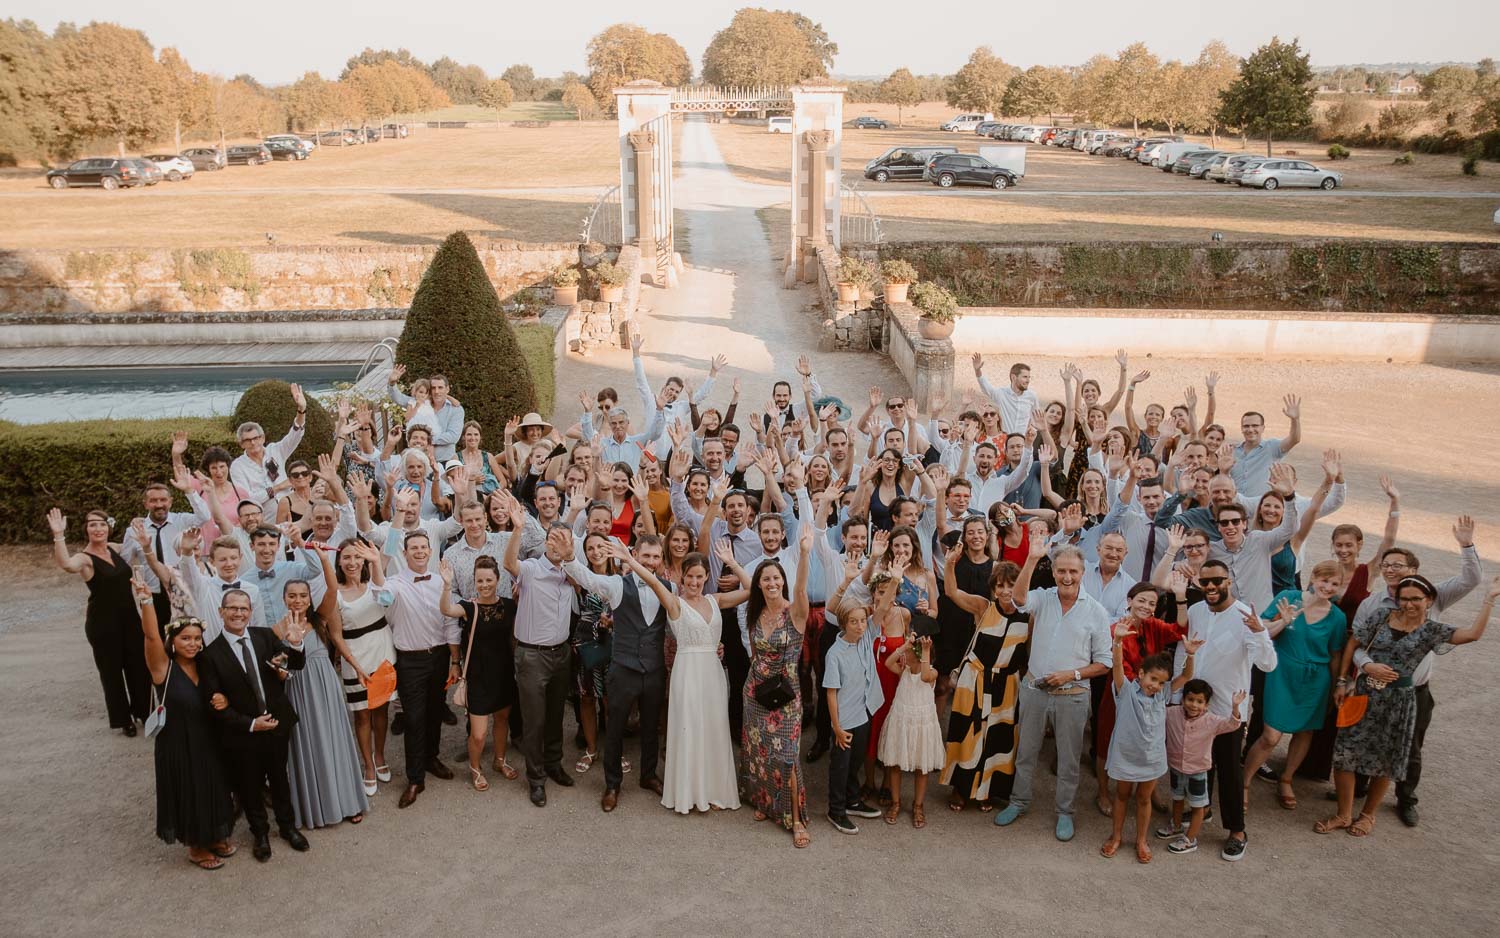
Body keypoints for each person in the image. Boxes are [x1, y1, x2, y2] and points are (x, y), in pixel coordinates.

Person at [1318, 575, 1496, 838]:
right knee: (1345, 753)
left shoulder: (1432, 630)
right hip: (1364, 694)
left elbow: (1472, 635)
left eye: (1416, 599)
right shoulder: (1381, 616)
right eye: (1404, 598)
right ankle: (1344, 814)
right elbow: (1354, 643)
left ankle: (1367, 815)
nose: (1409, 604)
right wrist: (1343, 680)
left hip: (1399, 701)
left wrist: (1489, 600)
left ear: (1429, 600)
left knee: (1387, 759)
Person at [615, 541, 750, 814]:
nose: (695, 582)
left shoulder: (717, 600)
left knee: (713, 727)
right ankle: (689, 793)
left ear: (706, 578)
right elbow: (654, 583)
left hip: (712, 672)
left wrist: (733, 563)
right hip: (687, 671)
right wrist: (630, 561)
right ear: (682, 577)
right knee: (689, 727)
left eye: (700, 577)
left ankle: (712, 790)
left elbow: (750, 590)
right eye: (690, 576)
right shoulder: (674, 602)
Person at [994, 542, 1112, 842]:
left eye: (1073, 571)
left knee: (1070, 759)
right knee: (1025, 753)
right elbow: (1018, 599)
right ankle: (1019, 802)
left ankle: (1065, 813)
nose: (1067, 577)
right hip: (1034, 689)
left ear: (1083, 572)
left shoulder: (1096, 611)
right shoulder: (1043, 598)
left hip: (1072, 695)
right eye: (1061, 571)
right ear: (1055, 572)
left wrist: (1070, 674)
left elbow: (1104, 663)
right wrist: (1032, 559)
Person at [564, 536, 677, 812]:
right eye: (646, 556)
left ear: (661, 559)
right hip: (623, 668)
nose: (651, 562)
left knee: (651, 727)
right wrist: (569, 558)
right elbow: (589, 579)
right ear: (634, 554)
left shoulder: (669, 586)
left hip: (654, 669)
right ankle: (612, 784)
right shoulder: (617, 585)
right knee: (614, 728)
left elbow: (675, 625)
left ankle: (648, 775)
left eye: (655, 557)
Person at [130, 578, 235, 870]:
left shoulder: (205, 665)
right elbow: (151, 637)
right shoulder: (162, 667)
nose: (192, 644)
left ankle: (214, 836)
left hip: (207, 739)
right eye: (185, 638)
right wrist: (146, 601)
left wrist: (224, 701)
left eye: (196, 639)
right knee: (189, 789)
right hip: (177, 742)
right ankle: (196, 847)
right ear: (172, 642)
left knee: (212, 785)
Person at [1174, 559, 1276, 861]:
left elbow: (1268, 664)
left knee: (1230, 770)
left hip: (1228, 712)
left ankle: (1236, 831)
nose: (1211, 587)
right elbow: (1189, 650)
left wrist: (1260, 632)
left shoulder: (1246, 616)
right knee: (1198, 766)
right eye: (1205, 582)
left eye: (1217, 581)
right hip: (1195, 707)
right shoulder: (1195, 611)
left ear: (1228, 581)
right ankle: (1200, 811)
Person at [198, 588, 309, 862]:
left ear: (250, 612)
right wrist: (250, 724)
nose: (238, 613)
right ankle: (259, 833)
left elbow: (293, 663)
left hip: (276, 724)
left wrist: (294, 644)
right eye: (232, 608)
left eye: (243, 609)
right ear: (221, 612)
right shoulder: (210, 655)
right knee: (249, 784)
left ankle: (287, 827)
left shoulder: (264, 636)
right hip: (244, 733)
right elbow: (214, 706)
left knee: (280, 779)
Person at [1241, 562, 1348, 811]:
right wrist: (1283, 620)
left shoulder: (1337, 617)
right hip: (1282, 672)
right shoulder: (1288, 597)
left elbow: (1334, 655)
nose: (1328, 587)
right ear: (1313, 577)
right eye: (1324, 580)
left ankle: (1286, 778)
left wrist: (1335, 686)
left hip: (1315, 681)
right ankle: (1243, 782)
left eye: (1334, 584)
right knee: (1270, 736)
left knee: (1305, 732)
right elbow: (1261, 628)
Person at [277, 571, 369, 829]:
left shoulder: (319, 619)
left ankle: (349, 803)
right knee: (306, 742)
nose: (297, 600)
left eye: (303, 595)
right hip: (297, 688)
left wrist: (324, 557)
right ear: (284, 599)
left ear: (309, 599)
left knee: (335, 739)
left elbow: (331, 587)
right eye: (292, 596)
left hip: (325, 685)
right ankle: (315, 808)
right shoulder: (278, 627)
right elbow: (276, 664)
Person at [742, 524, 815, 847]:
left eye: (776, 578)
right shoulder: (755, 613)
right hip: (755, 693)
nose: (772, 583)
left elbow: (801, 589)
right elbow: (755, 652)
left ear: (782, 581)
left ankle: (796, 820)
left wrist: (803, 552)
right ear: (759, 584)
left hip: (786, 698)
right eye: (766, 579)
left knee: (787, 757)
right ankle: (766, 804)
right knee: (759, 754)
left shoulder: (795, 612)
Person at [47, 508, 149, 736]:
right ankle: (123, 720)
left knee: (137, 666)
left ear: (108, 527)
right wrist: (58, 535)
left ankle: (143, 710)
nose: (98, 529)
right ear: (86, 529)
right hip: (103, 624)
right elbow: (66, 564)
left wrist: (139, 523)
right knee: (112, 672)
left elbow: (139, 547)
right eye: (92, 525)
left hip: (130, 619)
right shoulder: (85, 559)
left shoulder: (114, 548)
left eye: (102, 524)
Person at [1100, 633, 1201, 863]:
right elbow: (1116, 664)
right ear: (1141, 673)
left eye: (1161, 682)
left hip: (1151, 757)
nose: (1156, 686)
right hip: (1126, 754)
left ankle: (1141, 840)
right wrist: (1118, 642)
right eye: (1153, 679)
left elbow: (1186, 675)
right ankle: (1116, 837)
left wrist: (1191, 654)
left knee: (1144, 799)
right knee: (1122, 795)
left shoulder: (1163, 694)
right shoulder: (1124, 690)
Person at [941, 555, 1031, 812]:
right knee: (966, 734)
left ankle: (987, 790)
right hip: (976, 680)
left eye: (1011, 585)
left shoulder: (1029, 617)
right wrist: (949, 565)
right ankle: (960, 789)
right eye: (999, 586)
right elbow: (951, 591)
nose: (1005, 591)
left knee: (997, 737)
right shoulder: (983, 607)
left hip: (1007, 683)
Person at [504, 520, 578, 808]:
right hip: (532, 655)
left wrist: (571, 561)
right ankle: (536, 779)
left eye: (566, 539)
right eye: (555, 538)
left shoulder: (572, 572)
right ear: (547, 542)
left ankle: (554, 764)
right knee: (534, 721)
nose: (560, 544)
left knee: (556, 715)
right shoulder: (532, 569)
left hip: (562, 653)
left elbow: (584, 583)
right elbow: (510, 563)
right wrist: (518, 529)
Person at [384, 531, 461, 809]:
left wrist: (454, 660)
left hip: (439, 656)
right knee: (414, 719)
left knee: (435, 712)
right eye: (413, 548)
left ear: (430, 551)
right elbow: (381, 597)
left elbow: (451, 622)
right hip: (410, 660)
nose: (418, 552)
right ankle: (415, 778)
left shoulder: (442, 581)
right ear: (404, 553)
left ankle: (431, 758)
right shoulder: (394, 584)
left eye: (423, 547)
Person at [437, 556, 519, 791]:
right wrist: (446, 585)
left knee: (502, 721)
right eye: (479, 580)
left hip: (504, 674)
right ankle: (476, 769)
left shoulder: (508, 605)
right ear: (474, 581)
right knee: (480, 734)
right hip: (478, 678)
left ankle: (499, 761)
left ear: (497, 580)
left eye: (488, 580)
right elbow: (445, 609)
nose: (484, 585)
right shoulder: (468, 607)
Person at [326, 538, 396, 795]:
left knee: (381, 709)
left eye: (357, 557)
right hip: (354, 657)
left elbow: (386, 596)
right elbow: (335, 635)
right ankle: (367, 765)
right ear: (339, 561)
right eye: (346, 557)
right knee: (362, 713)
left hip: (382, 651)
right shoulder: (334, 592)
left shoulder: (374, 585)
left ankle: (380, 756)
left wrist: (377, 561)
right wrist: (354, 665)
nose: (352, 562)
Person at [822, 563, 886, 834]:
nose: (861, 626)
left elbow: (882, 608)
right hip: (845, 720)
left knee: (856, 761)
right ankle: (836, 810)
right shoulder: (835, 654)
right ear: (843, 623)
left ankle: (852, 801)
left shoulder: (866, 635)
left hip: (864, 712)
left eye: (863, 620)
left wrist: (893, 580)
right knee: (840, 766)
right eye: (854, 622)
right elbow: (831, 693)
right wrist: (836, 726)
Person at [1160, 680, 1246, 855]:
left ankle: (1190, 839)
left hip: (1198, 771)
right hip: (1176, 767)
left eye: (1200, 701)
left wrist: (1235, 707)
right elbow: (1156, 711)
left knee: (1198, 806)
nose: (1194, 705)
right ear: (1183, 699)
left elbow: (1233, 724)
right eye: (1190, 699)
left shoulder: (1211, 720)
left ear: (1206, 704)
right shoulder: (1171, 713)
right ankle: (1176, 826)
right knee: (1177, 799)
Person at [877, 633, 945, 829]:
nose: (904, 655)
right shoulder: (903, 671)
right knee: (896, 764)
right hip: (902, 721)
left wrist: (924, 651)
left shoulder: (931, 673)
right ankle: (896, 802)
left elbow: (924, 676)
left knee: (920, 767)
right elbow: (888, 662)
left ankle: (918, 805)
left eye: (908, 652)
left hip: (922, 723)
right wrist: (903, 646)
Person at [231, 383, 307, 513]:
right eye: (248, 440)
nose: (253, 443)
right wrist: (278, 487)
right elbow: (248, 498)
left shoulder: (275, 450)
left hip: (291, 509)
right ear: (241, 444)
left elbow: (296, 433)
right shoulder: (237, 466)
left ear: (263, 438)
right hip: (264, 518)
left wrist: (302, 409)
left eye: (256, 438)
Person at [387, 366, 464, 461]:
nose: (436, 391)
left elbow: (453, 436)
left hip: (444, 460)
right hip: (418, 461)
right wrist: (392, 383)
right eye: (433, 388)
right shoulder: (420, 401)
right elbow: (398, 398)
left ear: (447, 389)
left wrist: (426, 439)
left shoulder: (455, 410)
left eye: (440, 388)